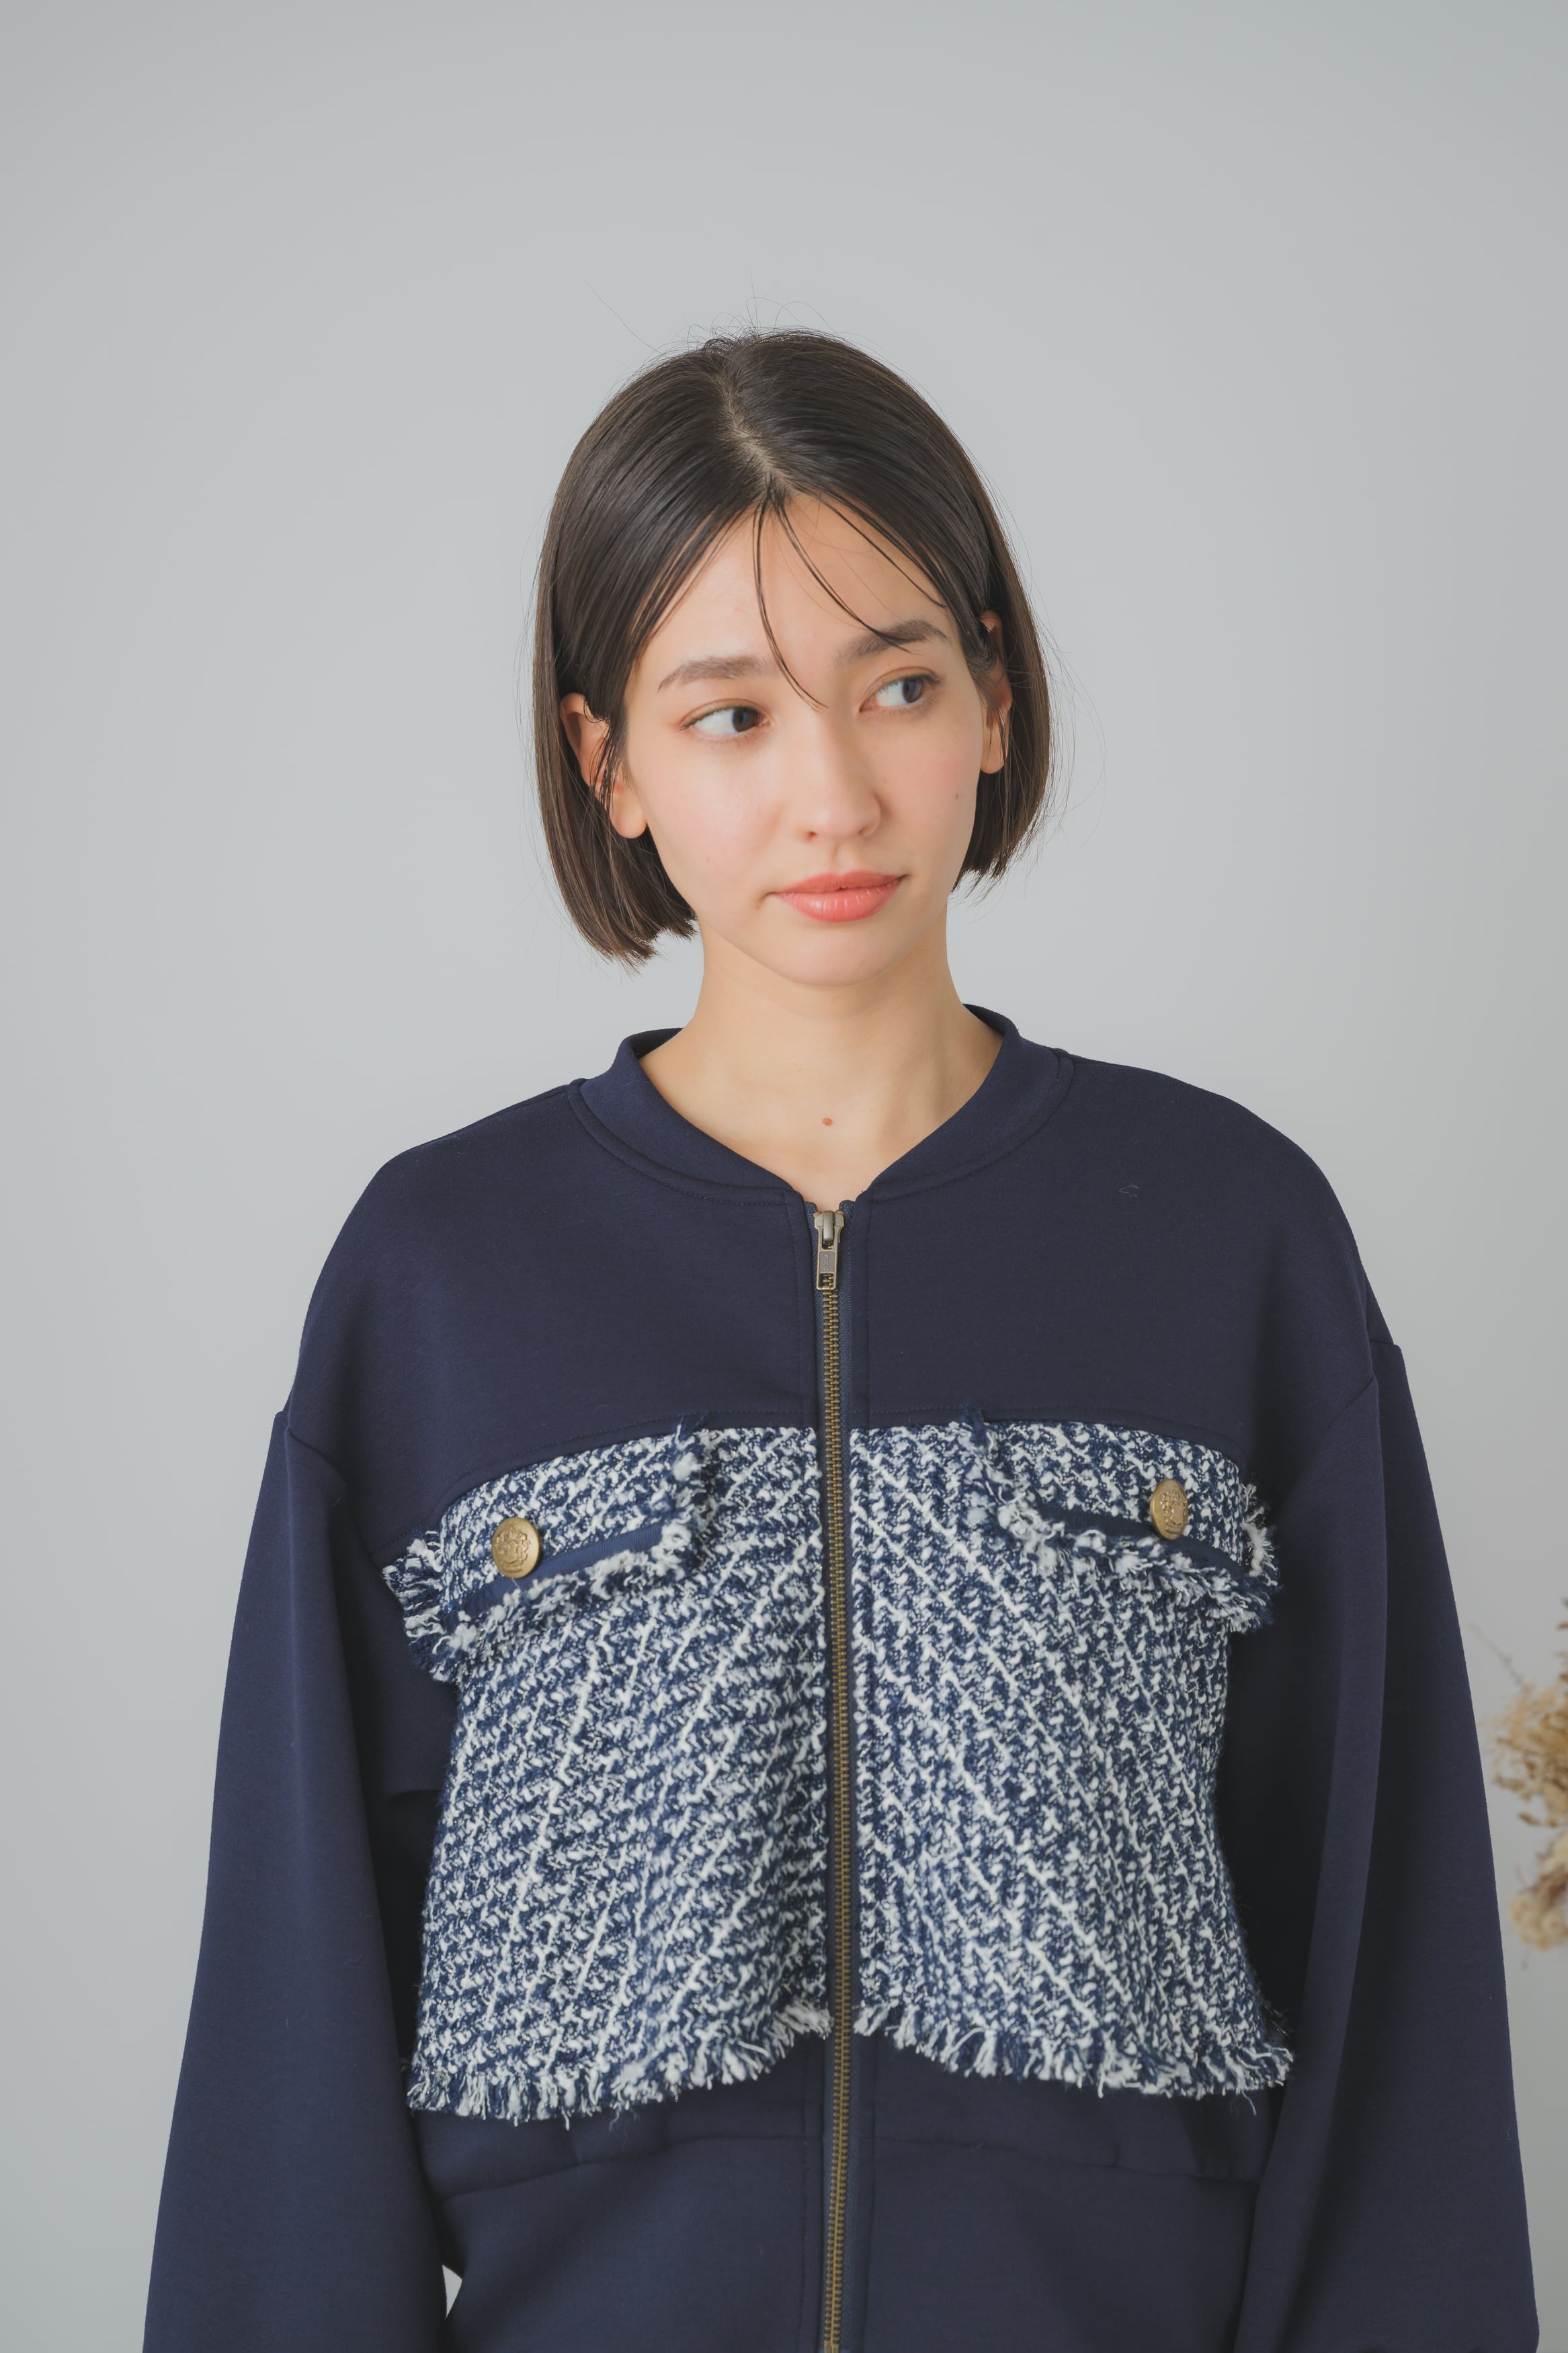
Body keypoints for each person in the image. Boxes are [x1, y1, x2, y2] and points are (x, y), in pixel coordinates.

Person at [143, 330, 1538, 2353]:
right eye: (729, 715)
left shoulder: (1232, 1239)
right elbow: (292, 2011)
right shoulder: (442, 1273)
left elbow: (1390, 1970)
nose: (834, 795)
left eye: (898, 685)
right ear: (610, 762)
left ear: (994, 696)